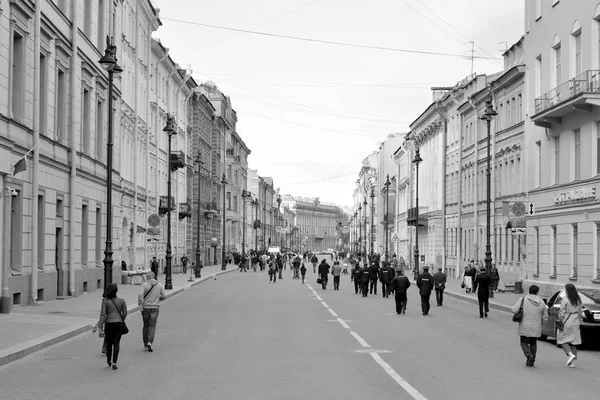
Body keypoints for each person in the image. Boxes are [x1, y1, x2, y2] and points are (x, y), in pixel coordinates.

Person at [511, 285, 548, 367]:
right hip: (536, 326)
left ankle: (528, 355)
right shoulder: (541, 302)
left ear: (529, 291)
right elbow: (545, 316)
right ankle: (532, 359)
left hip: (525, 325)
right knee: (533, 343)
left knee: (524, 343)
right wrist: (541, 323)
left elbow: (514, 309)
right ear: (537, 292)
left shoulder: (523, 300)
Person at [99, 283, 127, 370]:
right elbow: (125, 313)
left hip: (109, 323)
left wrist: (101, 325)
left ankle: (109, 360)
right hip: (118, 323)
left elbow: (103, 314)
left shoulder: (105, 301)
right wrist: (121, 319)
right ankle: (115, 362)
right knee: (117, 342)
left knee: (109, 342)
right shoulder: (122, 300)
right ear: (116, 291)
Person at [138, 271, 167, 352]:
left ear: (147, 277)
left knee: (146, 325)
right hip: (155, 308)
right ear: (154, 277)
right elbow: (164, 296)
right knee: (152, 325)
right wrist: (158, 298)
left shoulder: (144, 285)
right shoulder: (159, 285)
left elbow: (140, 295)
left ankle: (145, 343)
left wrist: (140, 305)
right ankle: (150, 342)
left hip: (145, 308)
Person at [557, 283, 584, 367]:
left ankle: (570, 354)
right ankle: (572, 363)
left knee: (561, 339)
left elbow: (562, 311)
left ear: (567, 290)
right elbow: (580, 312)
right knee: (573, 341)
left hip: (567, 320)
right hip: (576, 321)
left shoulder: (565, 299)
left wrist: (560, 319)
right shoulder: (578, 299)